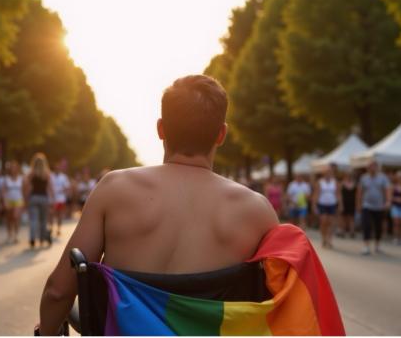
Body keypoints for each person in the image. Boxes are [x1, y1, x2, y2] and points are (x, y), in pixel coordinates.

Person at [37, 75, 279, 335]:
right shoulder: (257, 210)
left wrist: (46, 332)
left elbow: (58, 291)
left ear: (161, 129)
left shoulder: (113, 189)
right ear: (221, 134)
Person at [356, 160, 391, 255]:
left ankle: (377, 245)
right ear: (368, 168)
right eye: (370, 166)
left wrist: (388, 201)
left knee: (378, 226)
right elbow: (360, 192)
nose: (372, 168)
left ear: (377, 167)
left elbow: (387, 190)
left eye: (374, 166)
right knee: (366, 225)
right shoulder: (364, 178)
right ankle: (366, 246)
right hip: (366, 205)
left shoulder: (383, 178)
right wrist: (358, 204)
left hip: (379, 206)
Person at [23, 153, 55, 248]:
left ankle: (32, 238)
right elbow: (50, 188)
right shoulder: (47, 174)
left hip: (33, 198)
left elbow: (27, 187)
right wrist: (52, 200)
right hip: (44, 198)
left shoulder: (31, 174)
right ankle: (41, 239)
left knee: (33, 220)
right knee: (43, 220)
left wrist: (26, 198)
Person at [313, 165, 338, 248]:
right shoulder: (320, 182)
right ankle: (324, 238)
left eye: (330, 172)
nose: (328, 174)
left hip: (332, 204)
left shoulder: (335, 182)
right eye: (327, 172)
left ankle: (329, 239)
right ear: (324, 173)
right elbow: (316, 194)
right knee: (323, 221)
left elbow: (338, 194)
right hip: (322, 204)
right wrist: (314, 205)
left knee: (331, 222)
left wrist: (341, 204)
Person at [1, 161, 24, 244]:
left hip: (18, 200)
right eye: (12, 168)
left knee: (16, 217)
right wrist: (4, 201)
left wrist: (25, 201)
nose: (13, 169)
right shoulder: (6, 179)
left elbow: (24, 190)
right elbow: (3, 191)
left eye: (15, 167)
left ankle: (16, 235)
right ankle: (9, 234)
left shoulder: (21, 178)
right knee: (9, 219)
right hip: (9, 200)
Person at [50, 163, 70, 237]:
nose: (57, 170)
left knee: (59, 214)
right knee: (52, 214)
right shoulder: (50, 176)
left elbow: (67, 187)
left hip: (61, 199)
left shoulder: (63, 177)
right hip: (52, 199)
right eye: (56, 168)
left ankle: (58, 229)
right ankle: (51, 228)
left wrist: (63, 191)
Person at [338, 171, 357, 239]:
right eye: (348, 175)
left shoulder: (355, 184)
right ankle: (342, 231)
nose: (349, 177)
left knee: (351, 218)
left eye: (350, 176)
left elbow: (357, 195)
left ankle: (352, 231)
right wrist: (340, 204)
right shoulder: (342, 184)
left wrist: (357, 204)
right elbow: (339, 195)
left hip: (352, 203)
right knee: (344, 218)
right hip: (344, 203)